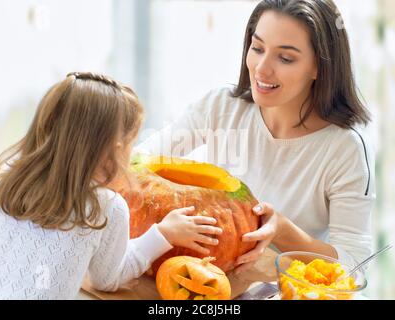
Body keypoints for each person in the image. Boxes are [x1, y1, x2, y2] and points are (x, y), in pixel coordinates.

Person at [135, 0, 375, 275]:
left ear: (319, 67)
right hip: (208, 274)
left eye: (285, 58)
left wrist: (283, 231)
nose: (261, 69)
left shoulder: (345, 148)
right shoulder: (221, 106)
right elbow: (139, 162)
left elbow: (354, 265)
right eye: (257, 48)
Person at [0, 72, 222, 299]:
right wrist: (163, 233)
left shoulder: (6, 180)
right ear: (115, 149)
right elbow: (108, 279)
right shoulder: (105, 206)